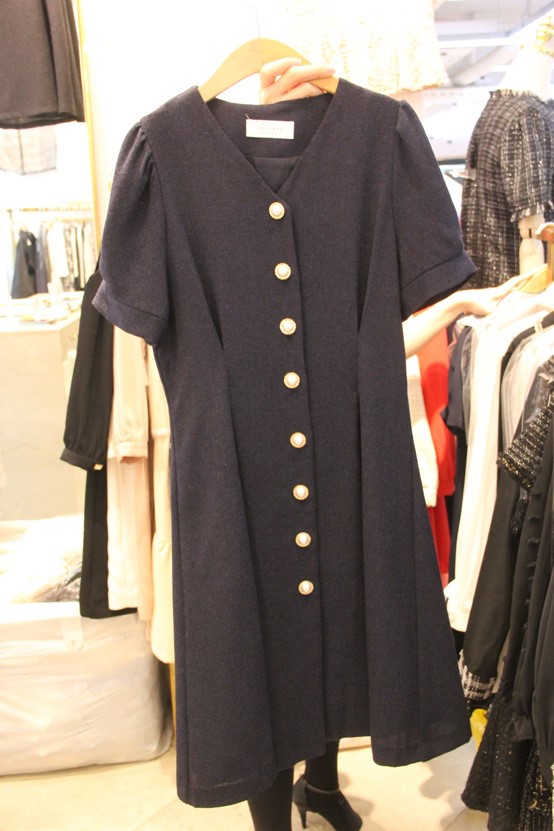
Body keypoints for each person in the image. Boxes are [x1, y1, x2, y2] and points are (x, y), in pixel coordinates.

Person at [245, 58, 529, 831]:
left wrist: (462, 304)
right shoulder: (184, 165)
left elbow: (375, 335)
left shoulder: (375, 150)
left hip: (347, 439)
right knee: (268, 641)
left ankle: (322, 787)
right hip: (248, 454)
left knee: (333, 624)